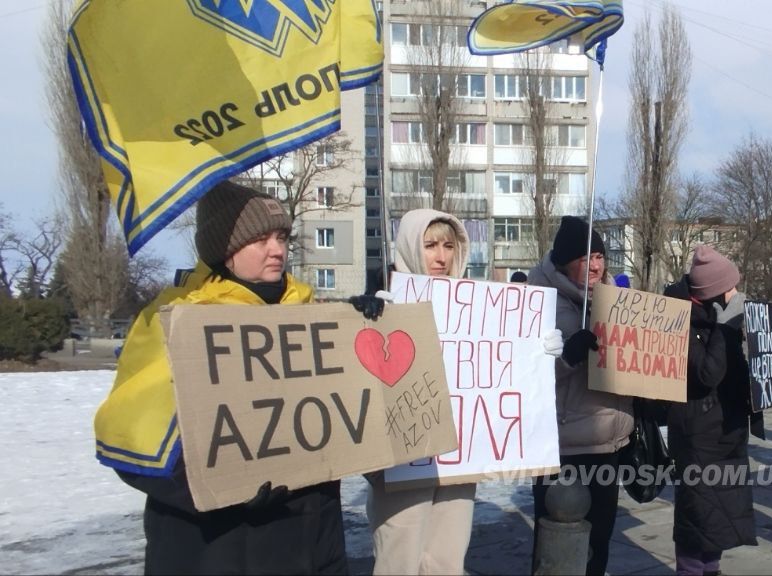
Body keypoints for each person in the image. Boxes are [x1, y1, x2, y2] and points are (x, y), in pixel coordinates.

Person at [93, 181, 349, 574]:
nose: (277, 250)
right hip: (215, 547)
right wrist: (224, 487)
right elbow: (131, 437)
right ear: (223, 249)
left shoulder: (309, 313)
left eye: (281, 236)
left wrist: (363, 324)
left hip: (311, 542)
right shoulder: (178, 318)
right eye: (260, 238)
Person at [365, 209, 562, 574]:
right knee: (399, 561)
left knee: (446, 561)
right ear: (410, 246)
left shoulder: (475, 306)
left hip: (459, 457)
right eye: (429, 246)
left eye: (449, 246)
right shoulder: (380, 303)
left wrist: (537, 347)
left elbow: (496, 362)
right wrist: (368, 322)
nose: (442, 257)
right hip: (401, 461)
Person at [527, 215, 634, 576]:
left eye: (600, 256)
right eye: (585, 257)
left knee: (597, 541)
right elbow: (523, 370)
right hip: (563, 446)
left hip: (608, 442)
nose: (595, 265)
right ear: (563, 261)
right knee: (556, 546)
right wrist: (569, 356)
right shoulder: (537, 299)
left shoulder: (615, 299)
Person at [662, 245, 757, 575]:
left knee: (721, 514)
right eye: (729, 288)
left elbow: (734, 372)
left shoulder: (717, 319)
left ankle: (711, 570)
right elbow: (706, 374)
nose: (735, 294)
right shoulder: (678, 319)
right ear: (712, 292)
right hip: (696, 436)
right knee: (698, 514)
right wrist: (727, 328)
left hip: (726, 432)